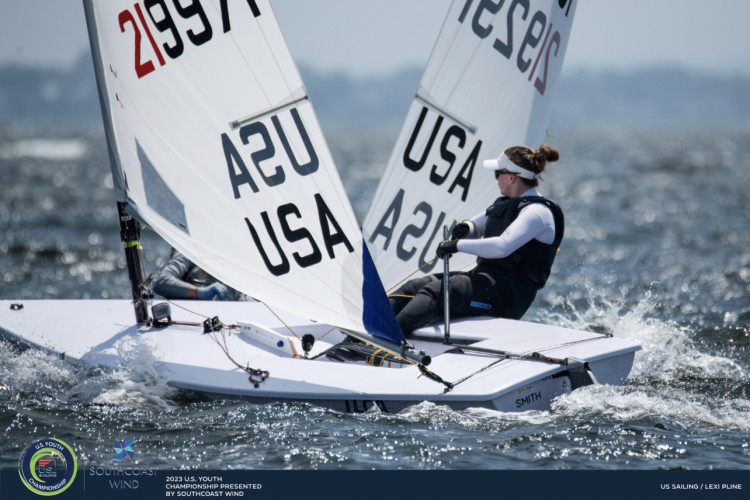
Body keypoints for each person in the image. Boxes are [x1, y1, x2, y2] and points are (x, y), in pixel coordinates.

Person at [388, 144, 564, 336]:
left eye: (498, 173)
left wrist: (457, 245)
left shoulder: (537, 213)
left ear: (512, 177)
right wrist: (466, 228)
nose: (496, 179)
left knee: (439, 291)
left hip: (508, 296)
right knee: (416, 285)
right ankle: (368, 331)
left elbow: (501, 247)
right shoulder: (507, 204)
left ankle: (389, 339)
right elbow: (476, 223)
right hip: (489, 282)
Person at [151, 248, 241, 300]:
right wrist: (200, 292)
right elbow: (161, 282)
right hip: (191, 320)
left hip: (227, 324)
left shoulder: (237, 258)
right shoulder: (189, 249)